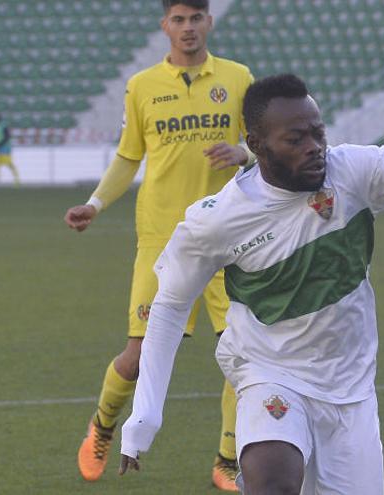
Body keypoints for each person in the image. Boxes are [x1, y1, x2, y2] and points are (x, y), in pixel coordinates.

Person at [117, 73, 384, 494]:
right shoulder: (218, 220)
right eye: (295, 139)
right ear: (257, 144)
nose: (314, 147)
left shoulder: (351, 171)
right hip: (269, 372)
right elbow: (171, 306)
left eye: (317, 133)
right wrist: (145, 414)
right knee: (273, 481)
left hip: (350, 390)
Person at [63, 0, 254, 490]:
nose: (187, 28)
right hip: (163, 241)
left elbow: (263, 148)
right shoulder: (142, 86)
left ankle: (227, 460)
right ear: (164, 25)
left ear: (209, 22)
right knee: (138, 352)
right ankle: (103, 426)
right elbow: (129, 158)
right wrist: (95, 204)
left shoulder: (237, 79)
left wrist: (244, 152)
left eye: (196, 19)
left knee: (247, 352)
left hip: (227, 240)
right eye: (178, 19)